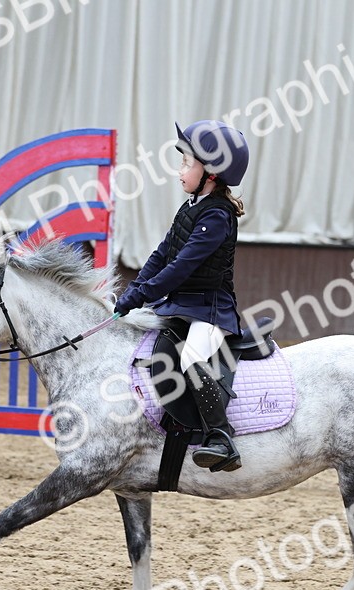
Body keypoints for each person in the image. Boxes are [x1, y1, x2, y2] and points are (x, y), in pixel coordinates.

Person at [114, 120, 249, 472]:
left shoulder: (217, 216)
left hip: (210, 310)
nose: (179, 171)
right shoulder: (191, 207)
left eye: (187, 164)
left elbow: (181, 268)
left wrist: (143, 294)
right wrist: (133, 290)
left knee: (191, 359)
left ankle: (221, 437)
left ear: (212, 175)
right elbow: (162, 254)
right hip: (182, 307)